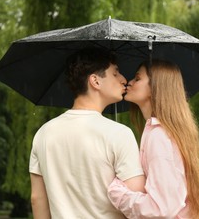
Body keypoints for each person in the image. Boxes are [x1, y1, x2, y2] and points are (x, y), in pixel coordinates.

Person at [29, 47, 145, 218]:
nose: (123, 80)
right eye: (115, 73)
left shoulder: (44, 133)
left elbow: (37, 198)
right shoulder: (119, 134)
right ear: (95, 81)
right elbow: (136, 200)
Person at [108, 59, 199, 219]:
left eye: (137, 78)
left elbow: (161, 208)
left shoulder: (159, 136)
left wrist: (118, 192)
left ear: (155, 87)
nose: (129, 82)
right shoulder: (162, 132)